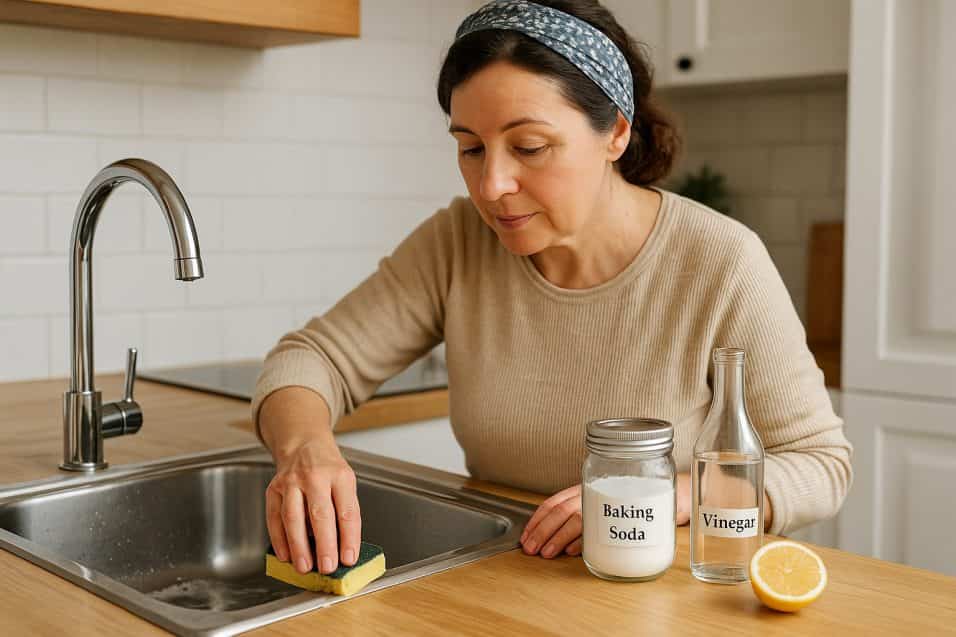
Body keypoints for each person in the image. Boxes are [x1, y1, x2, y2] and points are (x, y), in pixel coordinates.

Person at [252, 0, 853, 576]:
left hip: (657, 594)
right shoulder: (456, 241)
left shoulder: (720, 262)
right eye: (470, 147)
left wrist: (676, 495)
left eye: (529, 147)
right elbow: (312, 360)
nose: (491, 184)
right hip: (505, 580)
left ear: (616, 132)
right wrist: (307, 448)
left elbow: (821, 466)